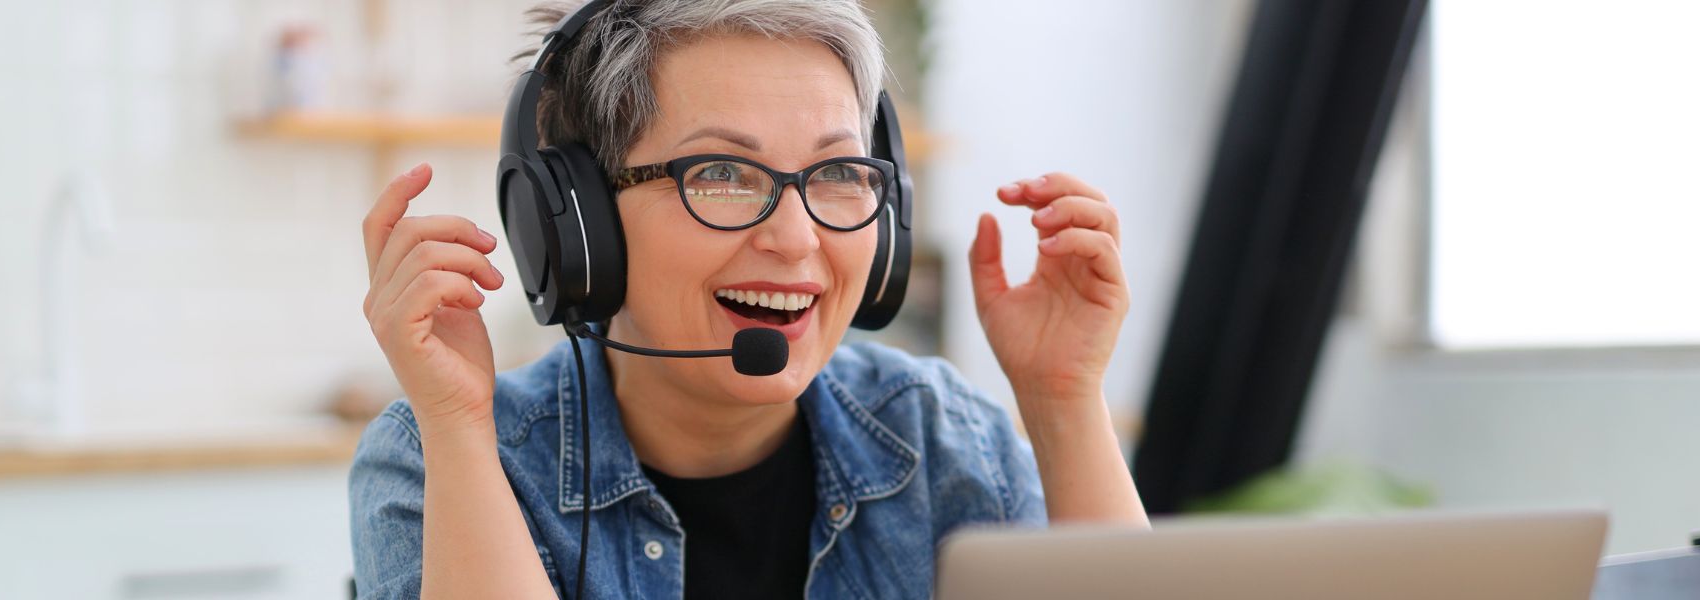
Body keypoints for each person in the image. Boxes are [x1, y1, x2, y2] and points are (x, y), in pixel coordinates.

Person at [350, 1, 1145, 598]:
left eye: (838, 173)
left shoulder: (941, 439)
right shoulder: (442, 456)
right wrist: (457, 430)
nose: (796, 240)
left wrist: (1061, 399)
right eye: (721, 174)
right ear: (577, 224)